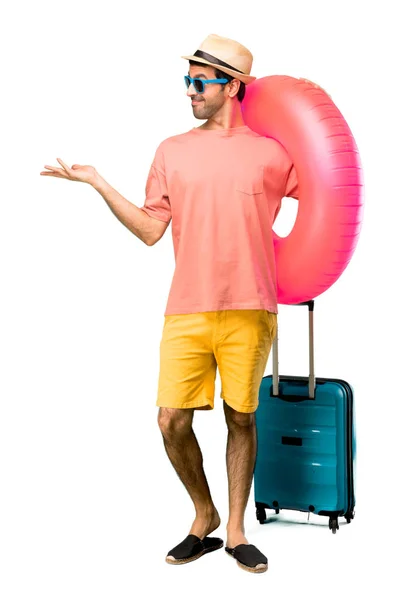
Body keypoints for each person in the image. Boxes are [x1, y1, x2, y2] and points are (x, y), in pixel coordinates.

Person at [40, 33, 328, 574]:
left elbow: (325, 197)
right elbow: (151, 229)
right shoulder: (172, 149)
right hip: (187, 307)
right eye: (187, 81)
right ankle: (204, 515)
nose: (190, 91)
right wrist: (99, 182)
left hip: (251, 306)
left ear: (234, 87)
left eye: (201, 81)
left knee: (241, 416)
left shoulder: (273, 153)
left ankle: (237, 530)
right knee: (171, 420)